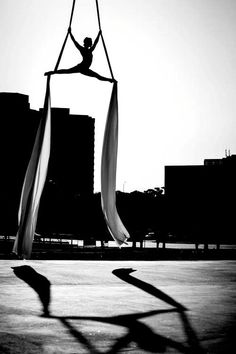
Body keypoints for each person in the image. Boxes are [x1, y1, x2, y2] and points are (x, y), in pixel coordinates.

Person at [45, 28, 114, 82]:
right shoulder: (83, 49)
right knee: (67, 71)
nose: (89, 44)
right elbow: (75, 42)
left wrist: (99, 34)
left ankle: (110, 80)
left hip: (85, 69)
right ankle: (52, 72)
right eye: (88, 43)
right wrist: (70, 33)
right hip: (81, 67)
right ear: (86, 43)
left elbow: (96, 42)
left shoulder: (90, 50)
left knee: (98, 76)